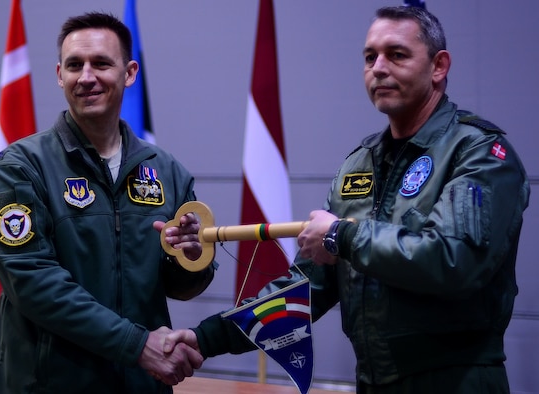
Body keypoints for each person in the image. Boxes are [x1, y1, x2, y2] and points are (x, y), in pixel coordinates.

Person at [164, 6, 530, 394]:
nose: (379, 67)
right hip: (372, 381)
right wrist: (206, 339)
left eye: (397, 54)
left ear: (439, 66)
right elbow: (308, 287)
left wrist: (341, 236)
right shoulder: (360, 163)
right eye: (370, 57)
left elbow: (455, 261)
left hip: (457, 380)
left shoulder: (478, 152)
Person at [0, 11, 216, 394]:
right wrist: (138, 346)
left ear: (129, 73)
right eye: (75, 65)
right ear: (60, 75)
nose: (86, 77)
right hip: (47, 384)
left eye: (101, 63)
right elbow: (33, 282)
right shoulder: (20, 168)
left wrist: (187, 258)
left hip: (142, 383)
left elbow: (181, 285)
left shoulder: (168, 172)